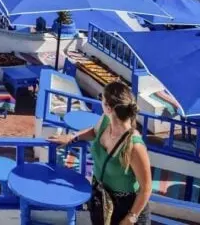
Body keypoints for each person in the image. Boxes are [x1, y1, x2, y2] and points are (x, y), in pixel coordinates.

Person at [50, 81, 151, 225]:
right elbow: (93, 131)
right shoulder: (105, 121)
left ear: (108, 108)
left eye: (101, 99)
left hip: (127, 207)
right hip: (102, 199)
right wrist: (72, 137)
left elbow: (146, 188)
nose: (100, 102)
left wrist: (131, 218)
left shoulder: (134, 146)